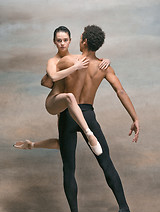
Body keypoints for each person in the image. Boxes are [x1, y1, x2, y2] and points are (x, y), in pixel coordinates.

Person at [41, 25, 139, 212]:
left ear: (84, 41)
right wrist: (135, 118)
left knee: (69, 168)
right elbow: (120, 91)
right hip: (88, 114)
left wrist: (54, 79)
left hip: (69, 115)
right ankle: (125, 210)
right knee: (107, 162)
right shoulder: (104, 67)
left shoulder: (68, 61)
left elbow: (47, 81)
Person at [14, 26, 110, 155]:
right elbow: (52, 77)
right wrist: (75, 68)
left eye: (65, 40)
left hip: (69, 106)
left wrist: (106, 60)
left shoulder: (77, 58)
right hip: (54, 102)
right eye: (59, 40)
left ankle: (30, 144)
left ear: (70, 40)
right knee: (69, 96)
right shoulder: (53, 61)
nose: (62, 43)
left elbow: (92, 59)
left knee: (63, 145)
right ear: (54, 42)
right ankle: (89, 134)